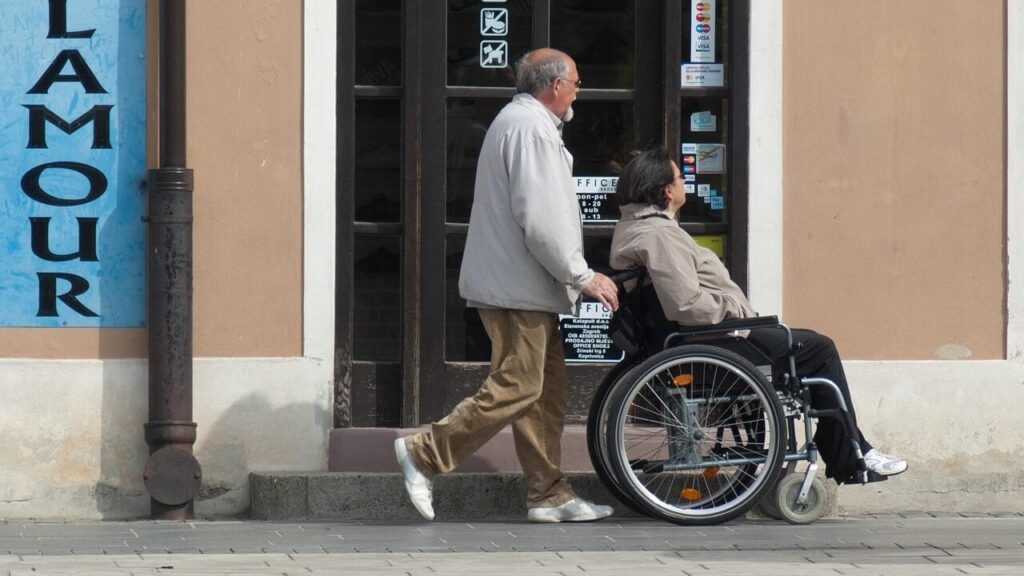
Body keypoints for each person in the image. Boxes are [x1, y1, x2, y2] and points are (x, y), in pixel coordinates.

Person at [394, 48, 621, 523]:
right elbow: (542, 220)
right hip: (518, 287)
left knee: (543, 393)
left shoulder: (524, 124)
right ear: (555, 85)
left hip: (524, 286)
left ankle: (548, 494)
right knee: (519, 386)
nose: (579, 90)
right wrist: (582, 274)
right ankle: (424, 453)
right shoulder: (530, 129)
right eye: (576, 82)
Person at [609, 147, 907, 485]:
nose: (684, 183)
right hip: (712, 341)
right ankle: (850, 450)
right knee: (819, 349)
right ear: (666, 190)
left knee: (806, 344)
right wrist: (735, 310)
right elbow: (686, 305)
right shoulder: (660, 235)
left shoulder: (638, 228)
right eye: (680, 177)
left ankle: (848, 445)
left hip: (704, 339)